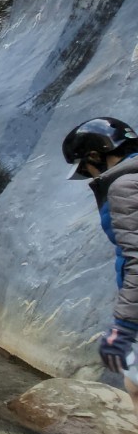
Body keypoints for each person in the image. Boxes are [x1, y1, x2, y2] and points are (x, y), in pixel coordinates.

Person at [64, 117, 138, 409]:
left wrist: (124, 326)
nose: (87, 175)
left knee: (135, 385)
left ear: (96, 156)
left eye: (84, 168)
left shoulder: (124, 187)